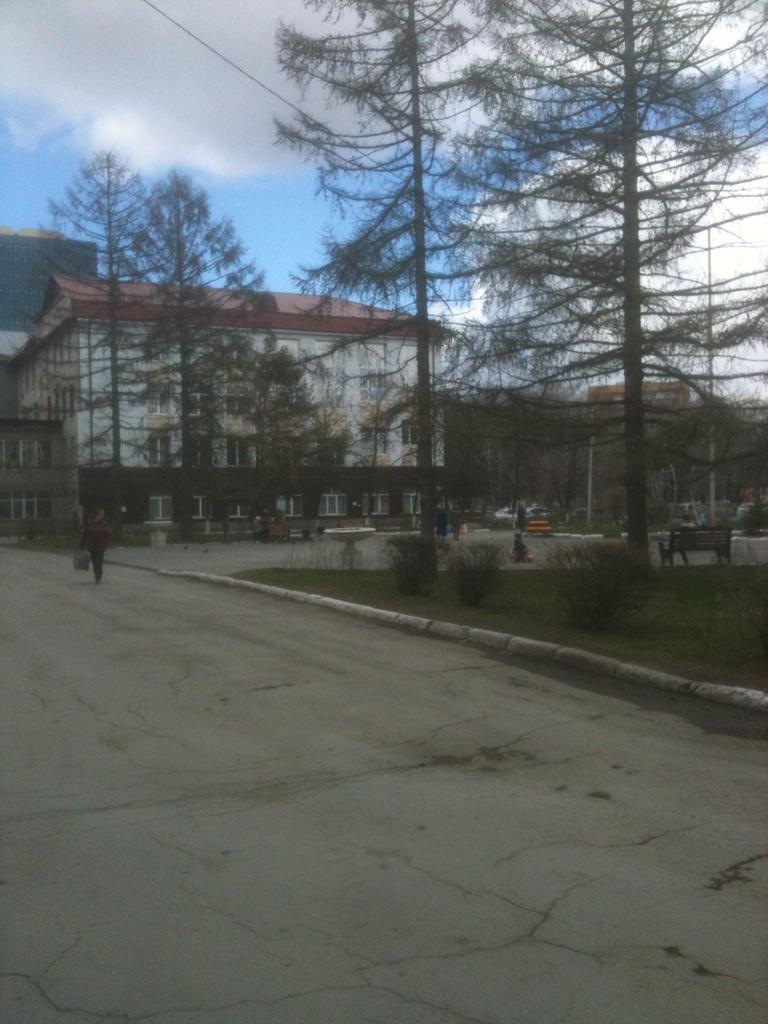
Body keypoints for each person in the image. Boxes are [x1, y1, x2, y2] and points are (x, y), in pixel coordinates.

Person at [80, 508, 110, 583]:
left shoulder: (104, 524)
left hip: (101, 547)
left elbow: (108, 535)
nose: (102, 516)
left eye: (103, 514)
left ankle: (98, 577)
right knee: (94, 562)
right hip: (92, 546)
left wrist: (106, 543)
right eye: (101, 514)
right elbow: (85, 535)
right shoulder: (90, 523)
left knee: (99, 562)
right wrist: (81, 546)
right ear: (97, 515)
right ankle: (97, 574)